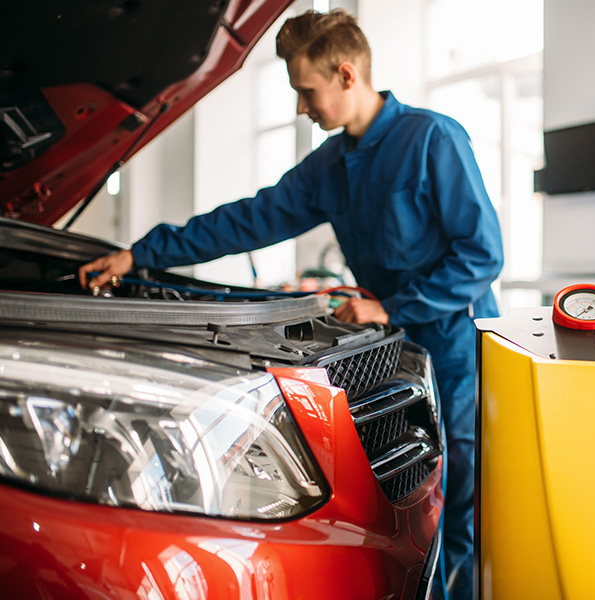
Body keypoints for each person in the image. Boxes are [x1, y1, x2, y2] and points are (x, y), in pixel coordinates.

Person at [79, 9, 503, 599]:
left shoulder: (433, 139)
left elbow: (482, 255)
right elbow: (247, 220)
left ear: (347, 75)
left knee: (458, 503)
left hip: (455, 348)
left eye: (307, 91)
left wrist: (393, 306)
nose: (302, 108)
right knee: (403, 500)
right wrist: (141, 255)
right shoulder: (331, 167)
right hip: (392, 352)